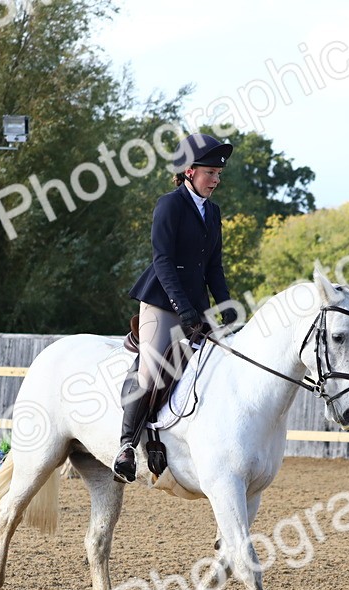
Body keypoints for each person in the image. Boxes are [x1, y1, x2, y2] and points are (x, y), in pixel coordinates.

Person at [112, 133, 239, 482]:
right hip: (160, 301)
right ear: (188, 170)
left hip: (196, 306)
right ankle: (126, 446)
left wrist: (226, 305)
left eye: (218, 174)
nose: (215, 180)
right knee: (153, 371)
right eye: (210, 173)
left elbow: (214, 266)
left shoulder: (212, 213)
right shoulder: (169, 204)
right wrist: (181, 307)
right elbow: (163, 260)